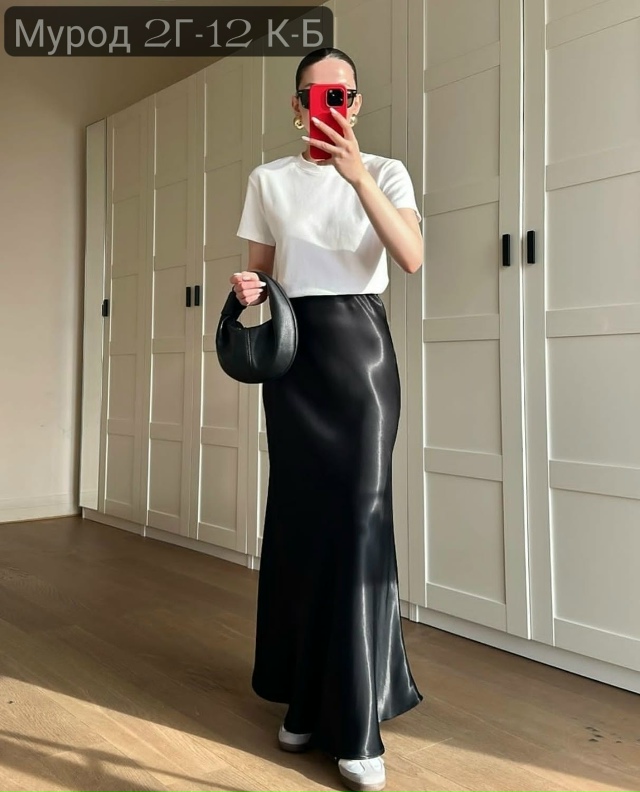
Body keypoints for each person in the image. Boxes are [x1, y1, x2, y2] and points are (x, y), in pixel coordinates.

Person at [231, 47, 423, 792]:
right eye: (316, 94)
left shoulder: (388, 171)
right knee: (300, 521)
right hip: (294, 359)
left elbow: (410, 257)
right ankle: (304, 699)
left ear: (357, 102)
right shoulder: (268, 180)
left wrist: (357, 176)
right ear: (296, 104)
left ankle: (358, 721)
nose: (329, 103)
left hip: (361, 358)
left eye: (341, 93)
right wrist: (248, 288)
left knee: (360, 522)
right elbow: (262, 274)